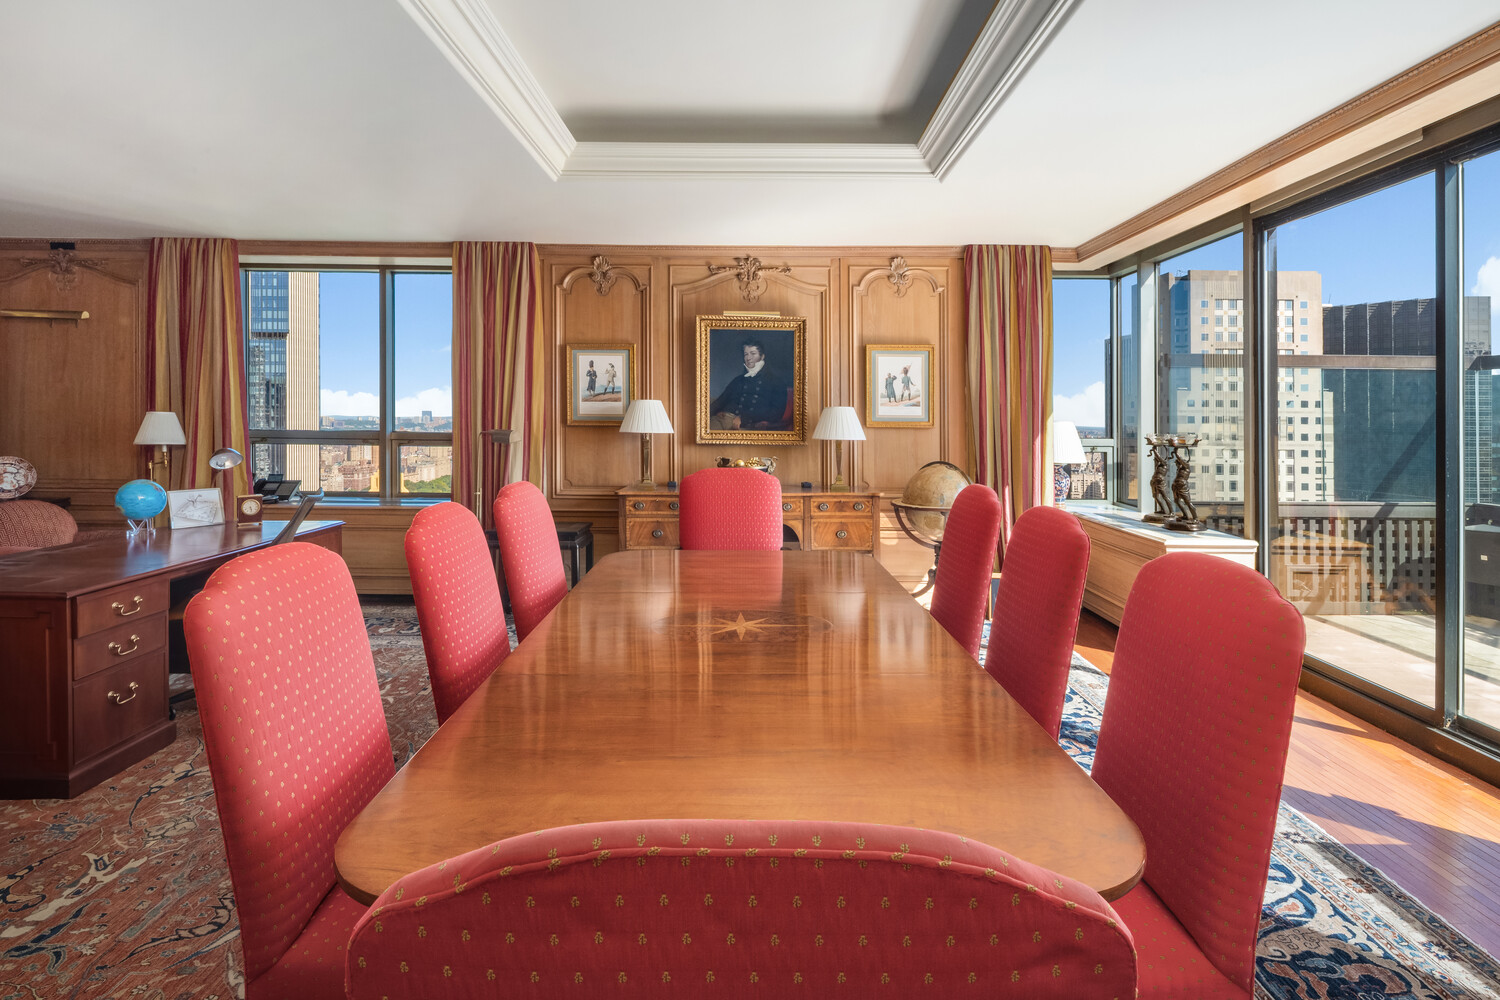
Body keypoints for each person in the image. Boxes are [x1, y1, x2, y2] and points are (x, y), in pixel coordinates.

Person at [711, 338, 791, 431]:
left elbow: (776, 414)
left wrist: (744, 418)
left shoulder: (776, 382)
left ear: (762, 356)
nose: (748, 358)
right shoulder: (738, 380)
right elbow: (720, 401)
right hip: (721, 419)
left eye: (753, 353)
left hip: (745, 426)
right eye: (746, 354)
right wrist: (709, 414)